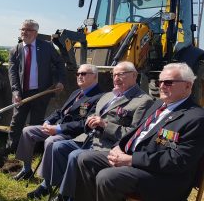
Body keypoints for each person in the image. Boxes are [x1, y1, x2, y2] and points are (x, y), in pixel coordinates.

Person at [76, 63, 204, 201]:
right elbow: (136, 132)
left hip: (163, 178)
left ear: (188, 86)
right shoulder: (158, 105)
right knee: (85, 159)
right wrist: (118, 147)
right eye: (159, 81)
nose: (161, 86)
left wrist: (132, 160)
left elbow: (179, 160)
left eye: (168, 82)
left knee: (107, 177)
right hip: (135, 159)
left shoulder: (195, 118)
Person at [27, 61, 154, 200]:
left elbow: (133, 135)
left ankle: (66, 196)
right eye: (114, 74)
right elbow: (89, 118)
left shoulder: (143, 101)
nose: (116, 78)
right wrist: (91, 121)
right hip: (88, 138)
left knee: (75, 155)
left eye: (121, 74)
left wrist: (105, 125)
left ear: (134, 75)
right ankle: (49, 185)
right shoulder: (108, 96)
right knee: (58, 146)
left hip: (108, 145)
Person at [13, 64, 103, 181]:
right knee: (27, 131)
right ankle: (26, 169)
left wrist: (58, 128)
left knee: (51, 141)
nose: (79, 76)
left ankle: (47, 180)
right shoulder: (76, 92)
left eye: (84, 74)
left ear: (95, 76)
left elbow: (84, 123)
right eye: (78, 74)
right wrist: (48, 121)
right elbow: (61, 111)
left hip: (74, 134)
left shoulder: (99, 97)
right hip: (57, 127)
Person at [6, 19, 66, 153]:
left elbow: (60, 63)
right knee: (16, 122)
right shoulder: (15, 50)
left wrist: (60, 80)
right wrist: (15, 91)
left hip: (41, 92)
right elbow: (13, 73)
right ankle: (11, 149)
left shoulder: (47, 47)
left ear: (35, 33)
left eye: (27, 30)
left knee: (36, 123)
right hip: (22, 93)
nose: (24, 32)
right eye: (22, 29)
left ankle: (32, 150)